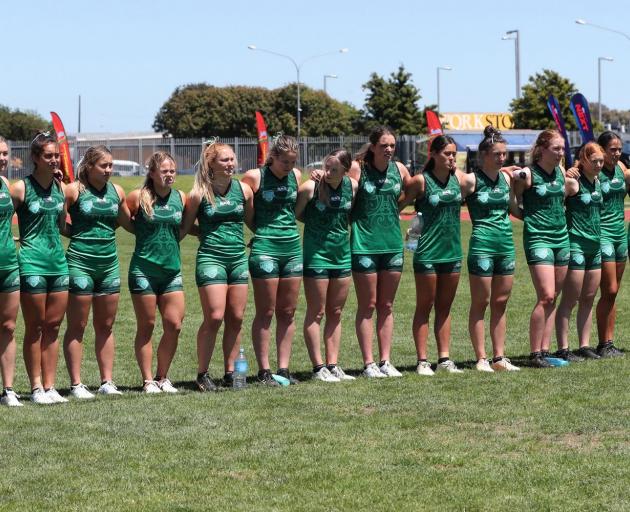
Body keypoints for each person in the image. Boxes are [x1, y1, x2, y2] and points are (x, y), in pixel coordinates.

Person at [181, 141, 253, 391]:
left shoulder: (244, 190)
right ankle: (202, 374)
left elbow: (252, 221)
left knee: (236, 317)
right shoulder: (199, 193)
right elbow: (185, 225)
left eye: (232, 159)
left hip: (237, 258)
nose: (231, 163)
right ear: (211, 163)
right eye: (225, 160)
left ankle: (232, 373)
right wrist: (203, 232)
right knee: (214, 316)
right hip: (211, 258)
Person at [62, 145, 133, 399]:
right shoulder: (73, 191)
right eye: (104, 166)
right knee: (77, 326)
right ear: (89, 166)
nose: (109, 170)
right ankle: (76, 384)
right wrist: (78, 237)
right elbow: (61, 224)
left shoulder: (117, 192)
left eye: (111, 166)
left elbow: (128, 224)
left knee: (106, 325)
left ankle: (107, 381)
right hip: (80, 263)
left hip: (109, 265)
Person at [404, 135, 473, 375]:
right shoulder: (420, 182)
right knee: (425, 306)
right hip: (427, 254)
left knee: (445, 307)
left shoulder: (460, 180)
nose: (452, 158)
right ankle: (423, 361)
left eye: (454, 154)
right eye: (447, 154)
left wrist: (506, 168)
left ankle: (444, 359)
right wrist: (413, 229)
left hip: (452, 252)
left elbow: (485, 176)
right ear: (433, 154)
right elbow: (396, 204)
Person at [11, 132, 69, 403]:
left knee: (54, 326)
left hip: (58, 263)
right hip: (31, 263)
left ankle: (50, 386)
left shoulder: (60, 188)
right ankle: (35, 388)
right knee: (34, 327)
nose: (54, 160)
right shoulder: (20, 188)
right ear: (35, 158)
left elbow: (60, 226)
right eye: (48, 156)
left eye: (56, 155)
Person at [349, 126, 410, 378]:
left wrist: (402, 207)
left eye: (392, 146)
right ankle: (368, 364)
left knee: (387, 304)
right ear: (373, 146)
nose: (388, 150)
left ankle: (385, 361)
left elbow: (414, 189)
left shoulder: (400, 170)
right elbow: (343, 195)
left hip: (393, 245)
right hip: (364, 245)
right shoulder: (358, 168)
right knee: (368, 304)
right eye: (384, 145)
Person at [242, 135, 302, 386]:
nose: (289, 166)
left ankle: (284, 370)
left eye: (292, 162)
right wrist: (261, 232)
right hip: (265, 247)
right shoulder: (254, 177)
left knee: (287, 312)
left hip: (292, 247)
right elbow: (247, 212)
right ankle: (264, 371)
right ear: (273, 157)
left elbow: (296, 208)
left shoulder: (297, 176)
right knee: (266, 311)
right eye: (284, 161)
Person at [296, 148, 358, 382]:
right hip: (317, 255)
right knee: (317, 312)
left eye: (334, 169)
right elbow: (298, 214)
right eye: (327, 167)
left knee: (336, 312)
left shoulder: (352, 186)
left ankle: (333, 365)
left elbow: (348, 216)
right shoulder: (310, 187)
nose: (329, 172)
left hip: (342, 255)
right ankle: (318, 367)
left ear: (345, 169)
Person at [127, 151, 185, 393]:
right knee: (147, 325)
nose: (170, 175)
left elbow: (185, 227)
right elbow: (122, 219)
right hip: (144, 271)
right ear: (152, 173)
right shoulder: (137, 197)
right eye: (164, 171)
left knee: (174, 324)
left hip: (172, 271)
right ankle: (148, 380)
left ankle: (163, 377)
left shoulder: (181, 197)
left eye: (172, 171)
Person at [513, 129, 570, 368]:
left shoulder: (560, 171)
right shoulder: (529, 174)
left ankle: (545, 351)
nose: (560, 153)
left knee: (553, 297)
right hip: (539, 239)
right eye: (556, 148)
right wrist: (528, 218)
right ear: (542, 149)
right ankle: (535, 353)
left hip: (561, 237)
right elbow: (514, 200)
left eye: (562, 148)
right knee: (545, 295)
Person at [465, 126, 520, 372]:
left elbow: (515, 210)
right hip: (482, 246)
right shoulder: (471, 180)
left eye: (503, 154)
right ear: (484, 155)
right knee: (481, 302)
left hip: (505, 245)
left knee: (500, 302)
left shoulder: (507, 179)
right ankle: (481, 358)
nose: (502, 158)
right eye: (497, 154)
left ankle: (499, 357)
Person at [555, 142, 604, 360]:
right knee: (570, 299)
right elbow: (556, 195)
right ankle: (563, 348)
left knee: (589, 298)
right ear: (583, 160)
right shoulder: (573, 181)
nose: (599, 165)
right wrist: (566, 174)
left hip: (595, 246)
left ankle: (584, 346)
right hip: (575, 243)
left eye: (601, 160)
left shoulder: (598, 180)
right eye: (595, 161)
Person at [592, 132, 628, 357]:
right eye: (612, 149)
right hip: (602, 234)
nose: (616, 153)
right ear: (601, 150)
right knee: (609, 289)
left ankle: (608, 343)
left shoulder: (621, 168)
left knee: (613, 294)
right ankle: (602, 343)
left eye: (619, 149)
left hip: (620, 234)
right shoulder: (593, 171)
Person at [0, 137, 22, 406]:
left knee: (8, 326)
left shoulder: (5, 185)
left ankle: (8, 390)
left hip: (8, 265)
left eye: (5, 153)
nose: (3, 158)